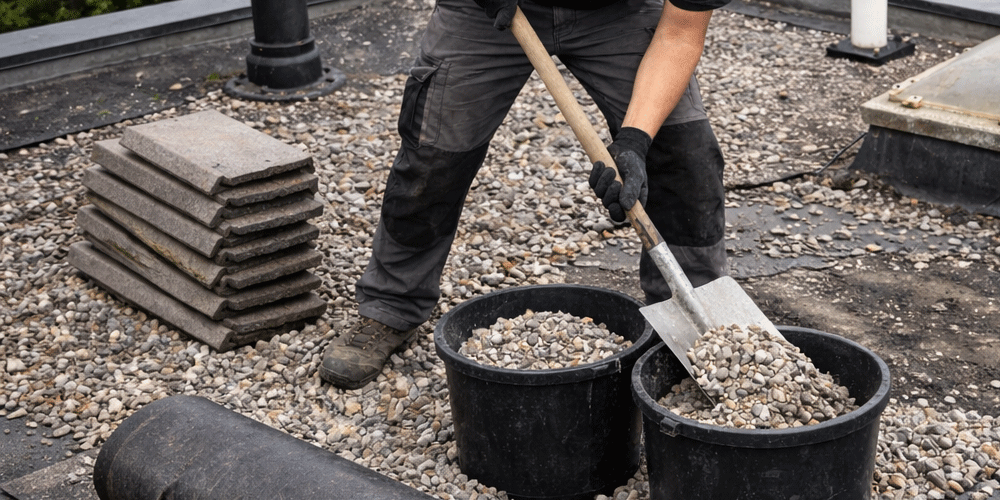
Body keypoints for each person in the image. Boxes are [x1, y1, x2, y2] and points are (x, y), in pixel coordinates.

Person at [319, 0, 729, 389]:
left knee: (682, 153)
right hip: (481, 16)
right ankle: (391, 305)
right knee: (435, 156)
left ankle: (693, 314)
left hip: (616, 12)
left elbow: (679, 34)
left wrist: (636, 140)